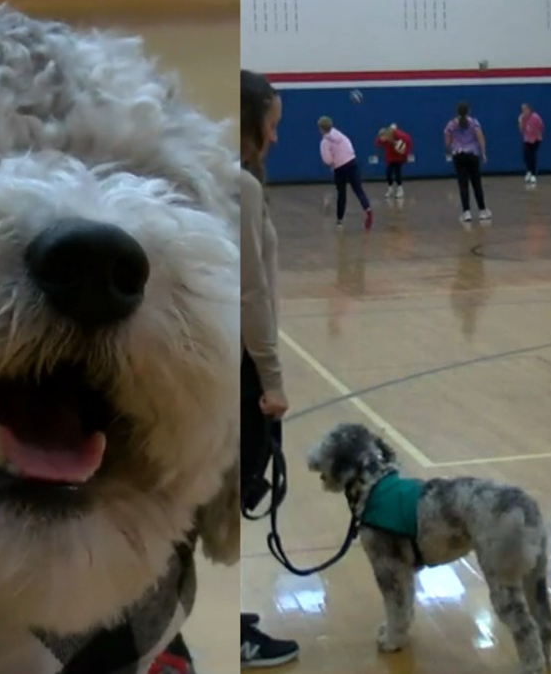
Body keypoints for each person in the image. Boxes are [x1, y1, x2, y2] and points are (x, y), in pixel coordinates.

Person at [238, 68, 301, 666]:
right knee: (228, 496)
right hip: (237, 367)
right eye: (271, 125)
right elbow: (250, 294)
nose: (275, 138)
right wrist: (273, 379)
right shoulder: (240, 187)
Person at [319, 116, 373, 230]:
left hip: (339, 168)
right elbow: (349, 146)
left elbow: (327, 160)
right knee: (358, 189)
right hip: (352, 163)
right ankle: (367, 208)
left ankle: (340, 221)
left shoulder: (325, 142)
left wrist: (332, 162)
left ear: (321, 129)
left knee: (341, 194)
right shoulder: (340, 134)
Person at [443, 101, 491, 224]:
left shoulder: (451, 124)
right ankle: (482, 210)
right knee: (476, 183)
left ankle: (466, 212)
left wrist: (450, 149)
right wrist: (483, 152)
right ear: (468, 111)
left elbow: (447, 141)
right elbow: (480, 137)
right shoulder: (474, 123)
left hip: (458, 155)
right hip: (472, 154)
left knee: (463, 184)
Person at [375, 124, 413, 199]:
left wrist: (405, 152)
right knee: (388, 173)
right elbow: (377, 143)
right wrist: (380, 140)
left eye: (383, 137)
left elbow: (408, 141)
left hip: (399, 157)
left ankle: (400, 189)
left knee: (397, 173)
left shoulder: (399, 135)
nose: (382, 139)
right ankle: (390, 189)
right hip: (390, 158)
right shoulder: (383, 139)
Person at [518, 103, 544, 184]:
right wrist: (520, 122)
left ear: (529, 109)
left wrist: (535, 137)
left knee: (532, 156)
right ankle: (528, 171)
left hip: (536, 139)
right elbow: (521, 129)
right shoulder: (522, 118)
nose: (524, 111)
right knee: (526, 156)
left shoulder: (535, 117)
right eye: (522, 110)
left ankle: (533, 174)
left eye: (525, 109)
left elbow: (541, 127)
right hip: (527, 139)